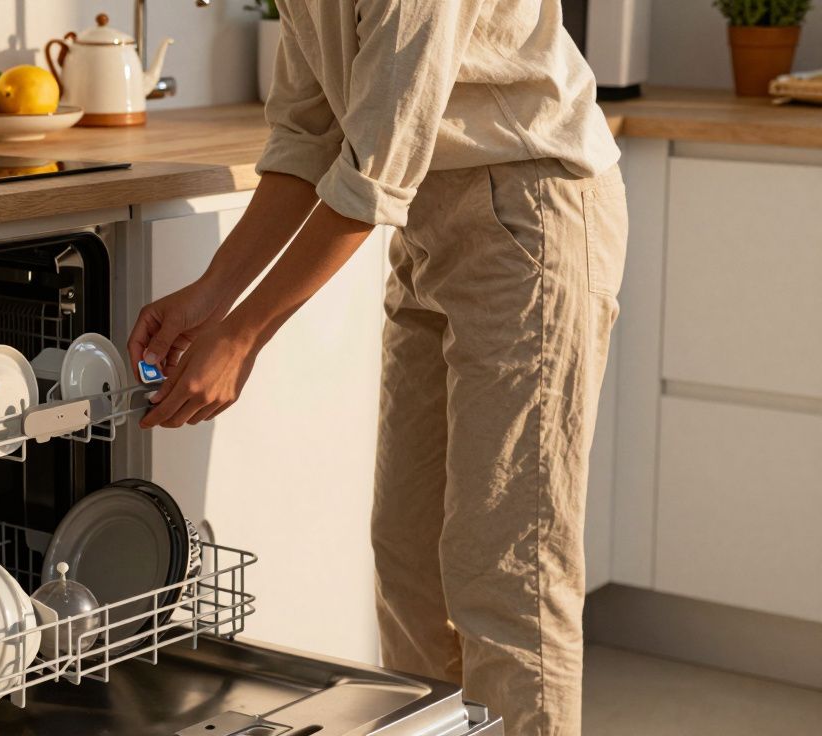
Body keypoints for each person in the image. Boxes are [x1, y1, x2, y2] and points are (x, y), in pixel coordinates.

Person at [126, 1, 627, 734]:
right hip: (427, 223)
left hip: (531, 210)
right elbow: (307, 137)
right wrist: (211, 295)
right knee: (409, 566)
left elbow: (373, 173)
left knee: (509, 577)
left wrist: (242, 337)